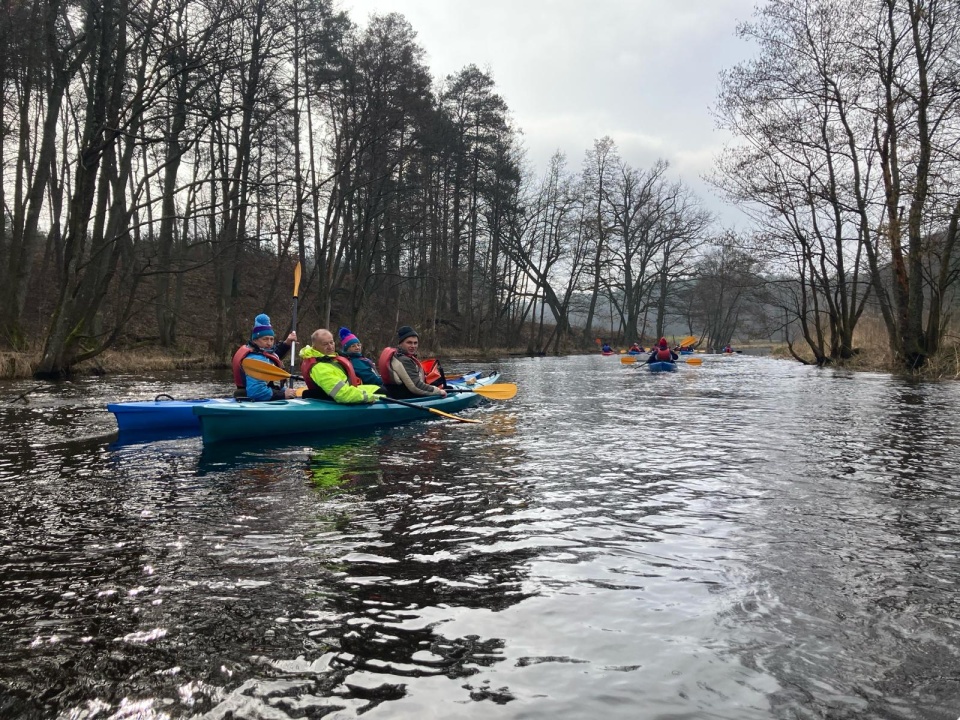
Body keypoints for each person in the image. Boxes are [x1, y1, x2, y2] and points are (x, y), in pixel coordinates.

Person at [299, 329, 383, 403]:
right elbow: (342, 394)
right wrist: (369, 397)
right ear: (315, 347)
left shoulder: (329, 359)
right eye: (325, 344)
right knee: (390, 393)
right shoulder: (319, 367)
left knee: (391, 389)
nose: (330, 346)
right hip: (343, 397)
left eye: (331, 342)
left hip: (353, 390)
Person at [231, 313, 298, 401]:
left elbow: (273, 356)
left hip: (248, 393)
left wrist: (286, 344)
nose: (269, 343)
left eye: (271, 339)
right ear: (255, 340)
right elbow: (256, 392)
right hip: (255, 397)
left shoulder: (254, 349)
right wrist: (282, 394)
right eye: (265, 339)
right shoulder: (255, 359)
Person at [377, 325, 447, 399]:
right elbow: (416, 386)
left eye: (415, 343)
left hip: (395, 393)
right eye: (409, 343)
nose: (413, 346)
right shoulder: (403, 360)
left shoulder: (397, 355)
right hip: (404, 397)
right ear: (400, 343)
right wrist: (438, 391)